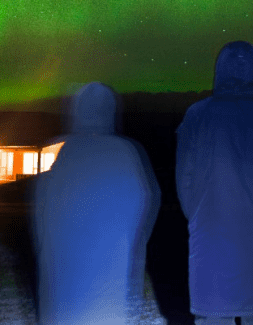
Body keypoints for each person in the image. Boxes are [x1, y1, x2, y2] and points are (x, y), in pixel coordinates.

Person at [175, 41, 253, 325]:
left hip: (211, 235)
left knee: (214, 315)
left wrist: (198, 215)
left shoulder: (198, 115)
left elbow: (185, 179)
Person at [32, 82, 161, 324]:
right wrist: (134, 243)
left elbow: (42, 209)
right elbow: (147, 200)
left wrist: (47, 249)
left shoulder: (63, 150)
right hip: (111, 270)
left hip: (66, 274)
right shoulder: (125, 152)